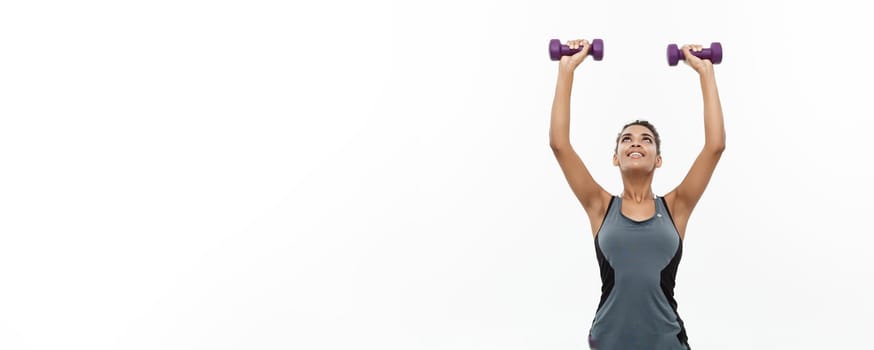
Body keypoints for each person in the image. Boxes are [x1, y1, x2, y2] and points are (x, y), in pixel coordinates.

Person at [549, 39, 725, 350]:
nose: (635, 143)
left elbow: (715, 146)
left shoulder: (676, 207)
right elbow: (559, 144)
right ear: (616, 157)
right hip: (609, 342)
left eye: (646, 140)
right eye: (626, 139)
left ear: (657, 159)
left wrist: (705, 72)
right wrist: (567, 69)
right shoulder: (599, 205)